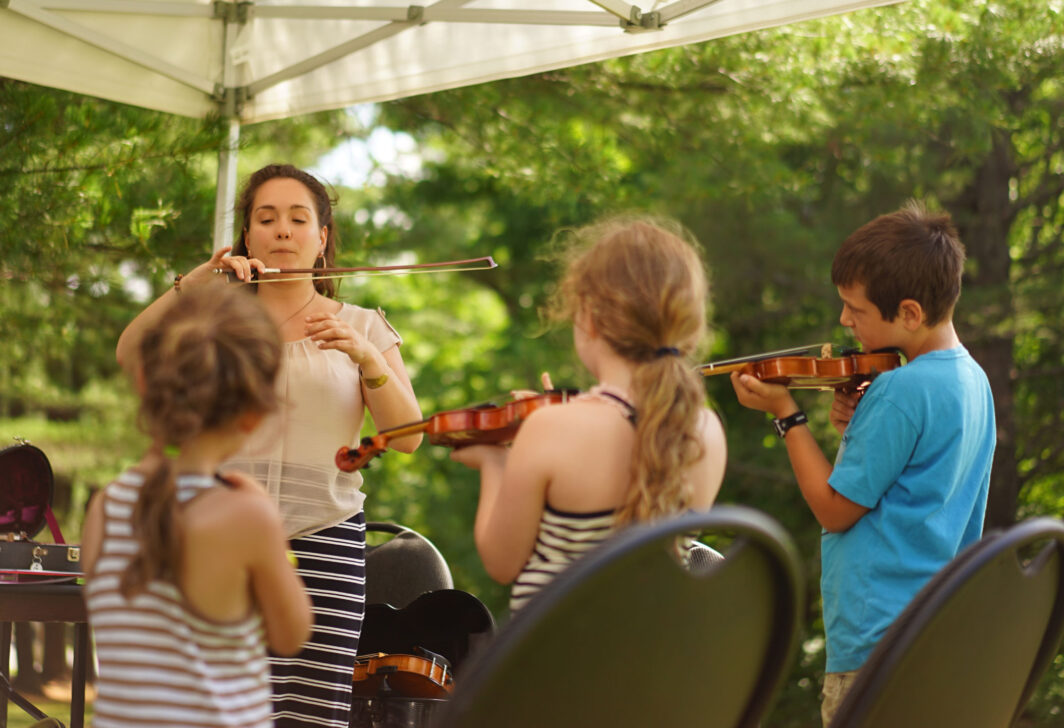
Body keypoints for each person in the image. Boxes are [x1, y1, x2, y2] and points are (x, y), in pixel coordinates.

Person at [115, 164, 423, 728]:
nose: (283, 230)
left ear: (322, 238)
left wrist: (367, 358)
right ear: (247, 236)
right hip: (219, 540)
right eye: (267, 218)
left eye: (298, 218)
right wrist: (193, 282)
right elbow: (132, 352)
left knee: (310, 715)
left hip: (325, 546)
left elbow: (407, 440)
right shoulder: (218, 323)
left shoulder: (362, 325)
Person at [729, 201, 996, 726]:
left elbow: (833, 510)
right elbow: (915, 482)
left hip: (875, 640)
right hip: (932, 634)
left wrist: (787, 415)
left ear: (910, 313)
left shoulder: (898, 389)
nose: (843, 320)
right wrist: (855, 431)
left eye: (856, 309)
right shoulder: (974, 381)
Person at [450, 216, 728, 612]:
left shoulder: (551, 428)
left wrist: (495, 461)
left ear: (589, 316)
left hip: (559, 666)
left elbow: (502, 562)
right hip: (654, 666)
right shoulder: (705, 428)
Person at [83, 284, 313, 728]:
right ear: (254, 413)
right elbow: (292, 633)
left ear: (147, 383)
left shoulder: (105, 507)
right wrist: (274, 536)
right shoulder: (246, 515)